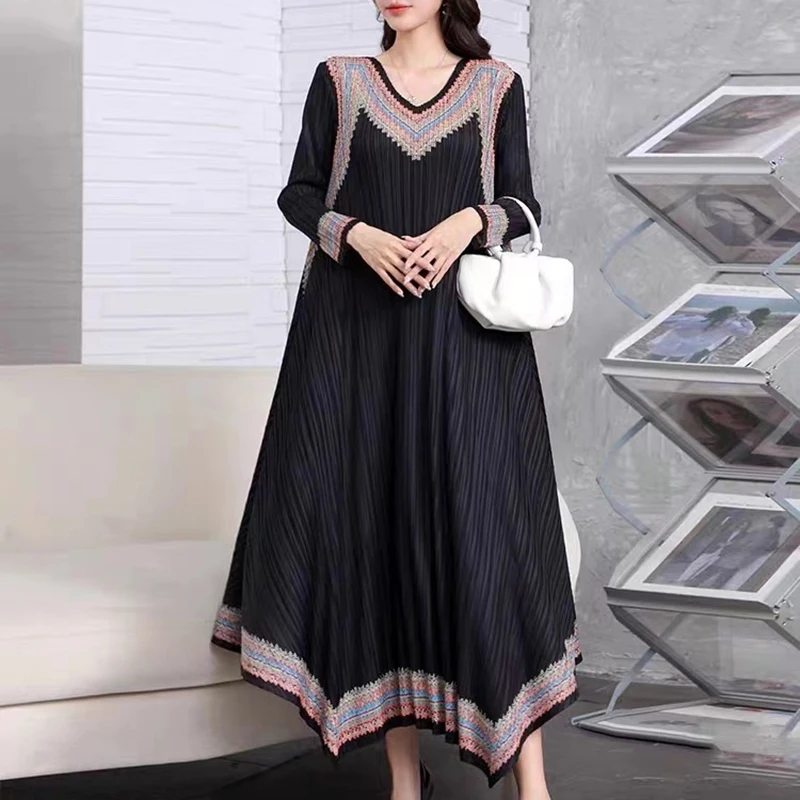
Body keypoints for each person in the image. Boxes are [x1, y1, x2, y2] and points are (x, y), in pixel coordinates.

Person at [210, 2, 580, 799]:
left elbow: (524, 204)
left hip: (466, 349)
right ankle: (404, 783)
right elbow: (299, 194)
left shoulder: (495, 85)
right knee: (373, 537)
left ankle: (534, 785)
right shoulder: (340, 82)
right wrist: (357, 235)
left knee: (492, 541)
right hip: (354, 341)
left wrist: (465, 224)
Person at [644, 305, 756, 363]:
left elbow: (670, 322)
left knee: (654, 357)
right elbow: (747, 333)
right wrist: (747, 322)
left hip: (674, 341)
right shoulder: (730, 326)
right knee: (672, 361)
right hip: (691, 346)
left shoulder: (700, 320)